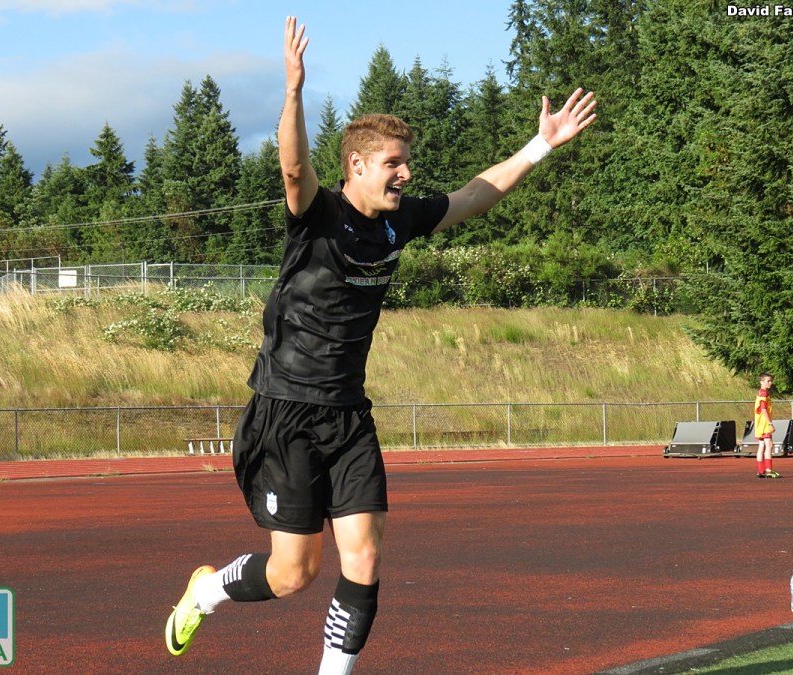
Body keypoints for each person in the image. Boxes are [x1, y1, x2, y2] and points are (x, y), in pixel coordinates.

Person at [165, 15, 597, 673]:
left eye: (406, 162)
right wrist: (293, 91)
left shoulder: (399, 223)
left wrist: (540, 146)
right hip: (285, 411)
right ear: (358, 166)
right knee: (294, 574)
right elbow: (291, 165)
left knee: (364, 557)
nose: (405, 173)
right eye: (393, 163)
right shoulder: (318, 214)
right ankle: (208, 589)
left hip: (348, 414)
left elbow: (473, 196)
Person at [754, 372, 778, 478]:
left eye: (770, 381)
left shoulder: (761, 393)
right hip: (764, 423)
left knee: (762, 445)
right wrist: (770, 423)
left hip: (759, 423)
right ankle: (768, 470)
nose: (770, 383)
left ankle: (760, 471)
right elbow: (763, 410)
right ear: (761, 382)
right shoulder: (763, 394)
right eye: (768, 381)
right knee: (769, 445)